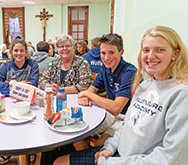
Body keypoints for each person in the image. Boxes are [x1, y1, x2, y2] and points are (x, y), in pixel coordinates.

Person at [54, 26, 188, 165]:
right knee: (75, 133)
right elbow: (127, 125)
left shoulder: (181, 94)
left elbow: (169, 157)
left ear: (175, 54)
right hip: (118, 145)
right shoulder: (144, 86)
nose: (151, 56)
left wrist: (88, 94)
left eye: (160, 50)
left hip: (128, 150)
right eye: (146, 50)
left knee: (91, 139)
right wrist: (110, 147)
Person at [74, 34, 137, 151]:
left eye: (111, 52)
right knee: (76, 133)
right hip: (110, 115)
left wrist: (88, 95)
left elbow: (116, 108)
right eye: (103, 53)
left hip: (126, 119)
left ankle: (90, 157)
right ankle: (86, 158)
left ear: (121, 52)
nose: (106, 57)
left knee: (99, 145)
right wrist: (86, 95)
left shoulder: (129, 72)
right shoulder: (105, 68)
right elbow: (91, 89)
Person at [38, 34, 92, 165]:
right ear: (57, 49)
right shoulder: (54, 63)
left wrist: (61, 90)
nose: (64, 49)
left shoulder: (81, 63)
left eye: (67, 46)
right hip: (55, 106)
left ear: (74, 48)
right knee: (50, 127)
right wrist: (47, 86)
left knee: (69, 131)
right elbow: (42, 79)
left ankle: (66, 154)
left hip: (75, 106)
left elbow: (84, 85)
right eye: (61, 46)